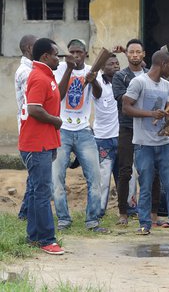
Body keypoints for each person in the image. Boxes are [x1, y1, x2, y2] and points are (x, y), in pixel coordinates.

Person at [122, 50, 169, 236]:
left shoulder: (167, 85)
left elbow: (167, 105)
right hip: (144, 144)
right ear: (162, 63)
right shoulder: (139, 82)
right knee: (146, 185)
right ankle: (144, 224)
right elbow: (126, 107)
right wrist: (151, 114)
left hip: (164, 143)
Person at [52, 39, 108, 233]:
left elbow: (99, 95)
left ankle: (92, 221)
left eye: (79, 52)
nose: (75, 56)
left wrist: (93, 81)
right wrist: (68, 69)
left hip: (84, 130)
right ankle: (64, 220)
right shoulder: (59, 69)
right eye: (72, 52)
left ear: (85, 54)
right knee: (57, 177)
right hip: (62, 129)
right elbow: (58, 96)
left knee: (94, 177)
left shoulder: (93, 70)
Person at [18, 38, 64, 254]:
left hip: (44, 143)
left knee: (38, 192)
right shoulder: (38, 77)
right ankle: (47, 239)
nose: (59, 58)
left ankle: (34, 237)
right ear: (45, 56)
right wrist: (55, 121)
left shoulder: (47, 75)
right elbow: (35, 108)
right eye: (56, 54)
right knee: (43, 192)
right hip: (35, 145)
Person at [112, 39, 160, 226]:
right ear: (127, 54)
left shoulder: (151, 75)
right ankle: (123, 212)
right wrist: (141, 97)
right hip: (127, 127)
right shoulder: (120, 76)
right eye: (131, 52)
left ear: (143, 54)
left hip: (148, 128)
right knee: (124, 170)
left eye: (137, 52)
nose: (134, 55)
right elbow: (122, 100)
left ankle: (153, 212)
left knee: (152, 171)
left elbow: (156, 98)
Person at [92, 53, 120, 217]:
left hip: (121, 137)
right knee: (103, 178)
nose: (115, 65)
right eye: (111, 63)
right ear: (103, 67)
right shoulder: (98, 84)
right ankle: (99, 211)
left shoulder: (124, 82)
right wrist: (93, 78)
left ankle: (129, 209)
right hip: (103, 139)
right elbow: (95, 91)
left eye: (117, 63)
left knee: (126, 176)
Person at [15, 34, 37, 220]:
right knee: (35, 177)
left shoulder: (32, 69)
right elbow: (32, 105)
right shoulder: (26, 72)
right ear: (30, 48)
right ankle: (25, 215)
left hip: (33, 130)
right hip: (30, 130)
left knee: (35, 177)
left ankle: (26, 214)